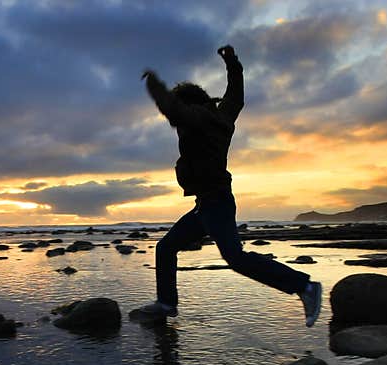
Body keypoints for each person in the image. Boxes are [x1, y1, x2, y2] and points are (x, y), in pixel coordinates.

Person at [134, 45, 323, 327]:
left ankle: (305, 287)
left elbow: (174, 109)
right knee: (166, 247)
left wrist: (153, 83)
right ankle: (166, 303)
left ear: (189, 104)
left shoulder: (197, 118)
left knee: (236, 258)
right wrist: (232, 64)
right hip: (206, 205)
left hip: (216, 204)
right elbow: (236, 97)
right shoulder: (221, 116)